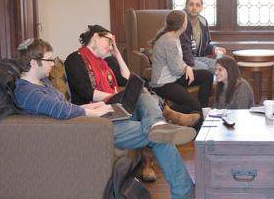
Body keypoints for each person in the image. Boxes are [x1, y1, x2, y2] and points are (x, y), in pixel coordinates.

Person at [14, 38, 195, 199]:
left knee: (141, 94)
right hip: (88, 130)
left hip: (88, 122)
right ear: (32, 63)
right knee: (158, 137)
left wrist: (95, 106)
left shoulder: (41, 83)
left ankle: (156, 123)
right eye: (49, 60)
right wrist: (98, 112)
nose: (52, 64)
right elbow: (63, 111)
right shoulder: (28, 93)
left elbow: (68, 108)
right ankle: (183, 190)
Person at [65, 24, 198, 182]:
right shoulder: (75, 59)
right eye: (109, 41)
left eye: (113, 44)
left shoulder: (106, 63)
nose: (111, 46)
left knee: (140, 90)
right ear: (95, 37)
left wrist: (117, 55)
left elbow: (128, 80)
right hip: (97, 113)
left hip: (116, 108)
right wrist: (120, 95)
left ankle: (157, 126)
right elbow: (88, 93)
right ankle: (162, 121)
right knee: (142, 95)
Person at [151, 10, 213, 118]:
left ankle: (203, 111)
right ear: (182, 24)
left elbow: (178, 62)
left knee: (207, 75)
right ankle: (167, 108)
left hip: (175, 77)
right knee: (195, 107)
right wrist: (187, 68)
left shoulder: (174, 35)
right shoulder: (169, 40)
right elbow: (176, 69)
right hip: (163, 84)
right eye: (186, 21)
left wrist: (186, 67)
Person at [180, 0, 225, 74]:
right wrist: (192, 64)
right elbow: (182, 48)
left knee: (222, 66)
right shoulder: (180, 20)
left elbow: (204, 47)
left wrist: (214, 49)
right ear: (186, 6)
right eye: (191, 4)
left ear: (201, 8)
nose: (194, 8)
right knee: (203, 68)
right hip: (181, 59)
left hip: (197, 58)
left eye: (197, 5)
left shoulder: (203, 22)